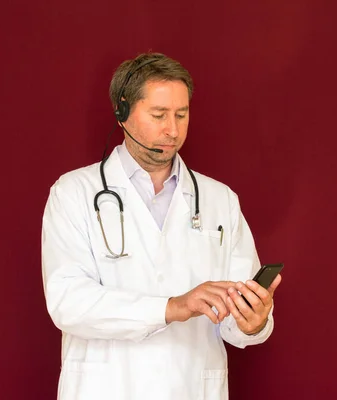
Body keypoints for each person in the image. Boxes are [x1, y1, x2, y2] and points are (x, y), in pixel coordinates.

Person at [41, 52, 282, 400]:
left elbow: (237, 325)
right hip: (105, 390)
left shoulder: (220, 200)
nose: (173, 130)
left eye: (181, 115)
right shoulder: (74, 193)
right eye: (159, 115)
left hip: (190, 387)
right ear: (122, 112)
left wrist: (254, 320)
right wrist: (172, 307)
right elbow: (68, 302)